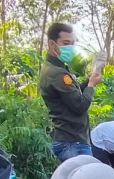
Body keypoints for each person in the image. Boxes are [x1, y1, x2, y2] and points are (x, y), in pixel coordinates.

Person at [39, 22, 102, 162]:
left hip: (70, 141)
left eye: (72, 43)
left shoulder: (56, 69)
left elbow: (72, 95)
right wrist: (91, 85)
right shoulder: (57, 74)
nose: (70, 48)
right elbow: (79, 105)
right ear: (52, 44)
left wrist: (87, 81)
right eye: (66, 43)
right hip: (72, 143)